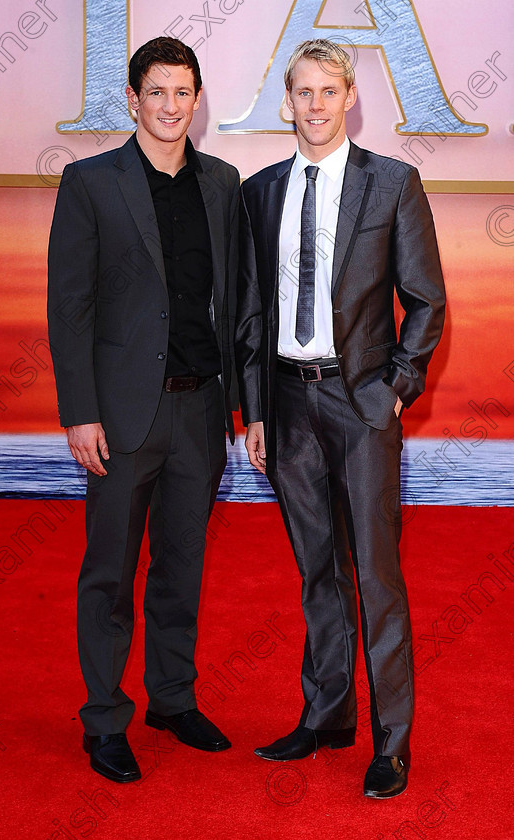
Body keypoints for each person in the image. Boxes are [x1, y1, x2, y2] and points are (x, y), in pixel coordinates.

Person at [235, 39, 445, 798]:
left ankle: (393, 741)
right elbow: (253, 315)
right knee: (316, 568)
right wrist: (255, 411)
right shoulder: (259, 193)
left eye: (330, 91)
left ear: (350, 97)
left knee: (378, 575)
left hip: (361, 404)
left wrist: (396, 387)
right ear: (286, 101)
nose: (316, 105)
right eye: (303, 92)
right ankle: (326, 715)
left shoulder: (392, 183)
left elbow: (426, 301)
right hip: (287, 404)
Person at [47, 37, 239, 783]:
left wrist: (244, 406)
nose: (170, 106)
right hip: (122, 418)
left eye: (182, 93)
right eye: (156, 92)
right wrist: (80, 411)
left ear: (197, 100)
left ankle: (171, 697)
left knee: (180, 567)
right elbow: (71, 307)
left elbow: (240, 304)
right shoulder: (91, 183)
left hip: (202, 412)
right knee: (109, 572)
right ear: (132, 98)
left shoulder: (222, 183)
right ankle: (103, 719)